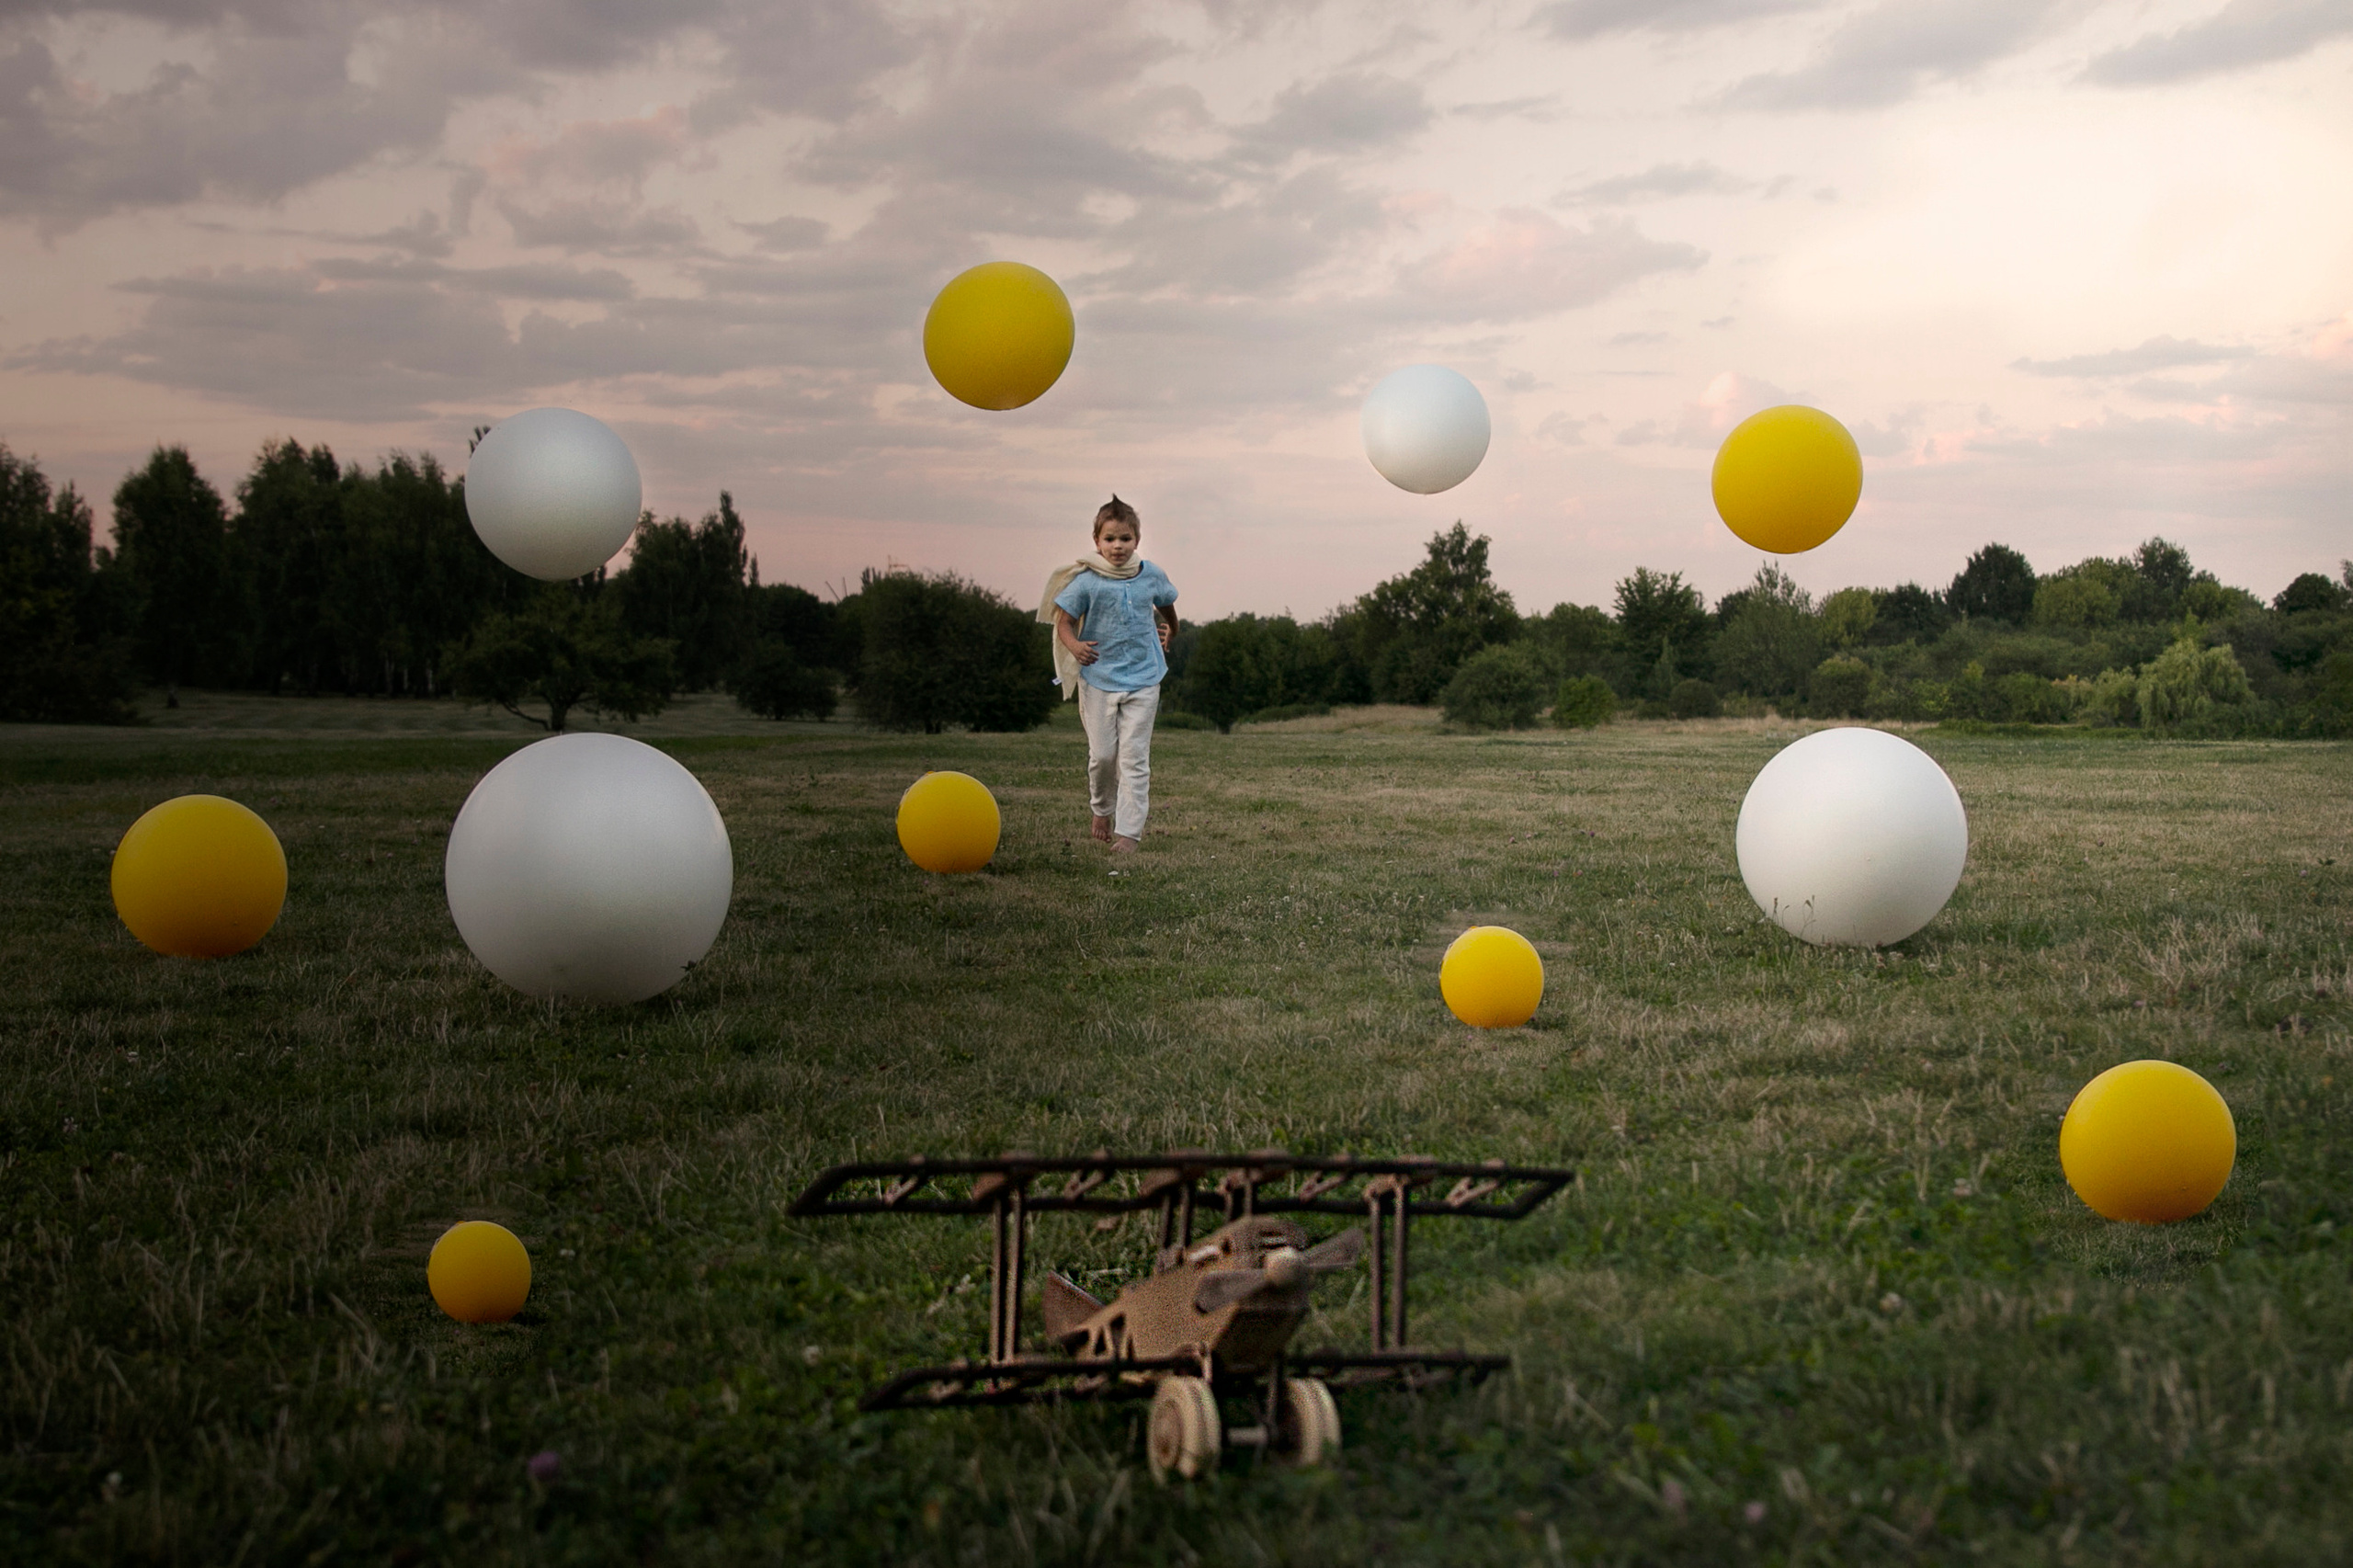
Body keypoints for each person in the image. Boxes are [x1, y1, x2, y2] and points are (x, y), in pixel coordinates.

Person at [1037, 496, 1178, 854]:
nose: (1118, 546)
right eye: (1111, 539)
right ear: (1097, 541)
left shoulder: (1151, 574)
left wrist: (1171, 630)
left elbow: (1166, 604)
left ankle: (1129, 833)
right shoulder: (1087, 581)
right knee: (1103, 756)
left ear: (1137, 540)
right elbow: (1064, 621)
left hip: (1144, 677)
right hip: (1099, 677)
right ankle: (1102, 810)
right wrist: (1074, 647)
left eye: (1125, 539)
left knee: (1134, 757)